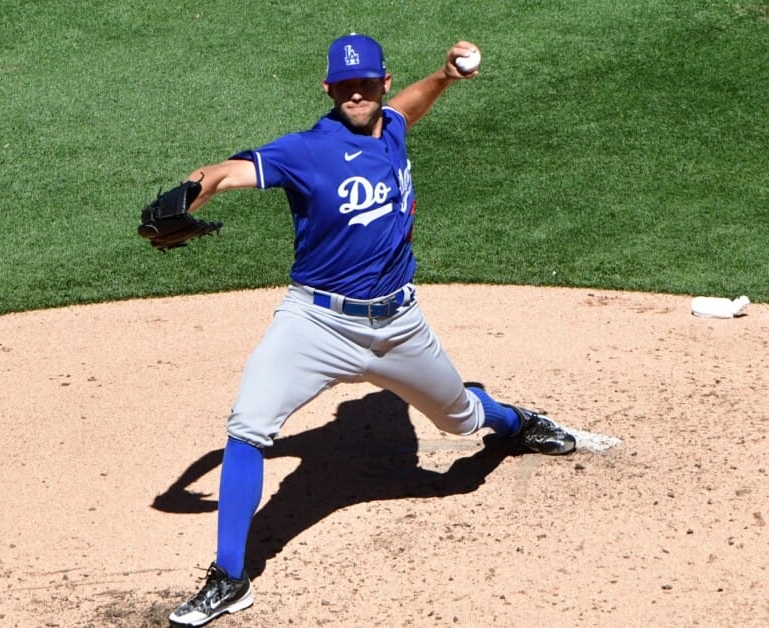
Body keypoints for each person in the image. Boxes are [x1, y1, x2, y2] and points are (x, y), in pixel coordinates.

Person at [165, 34, 576, 627]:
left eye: (367, 84)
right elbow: (228, 173)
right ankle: (229, 577)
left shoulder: (393, 123)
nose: (356, 93)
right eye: (344, 85)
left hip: (400, 326)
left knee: (461, 417)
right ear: (328, 89)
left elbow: (407, 108)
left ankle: (518, 424)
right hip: (315, 324)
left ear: (381, 84)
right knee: (248, 425)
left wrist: (442, 76)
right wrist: (190, 194)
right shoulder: (307, 149)